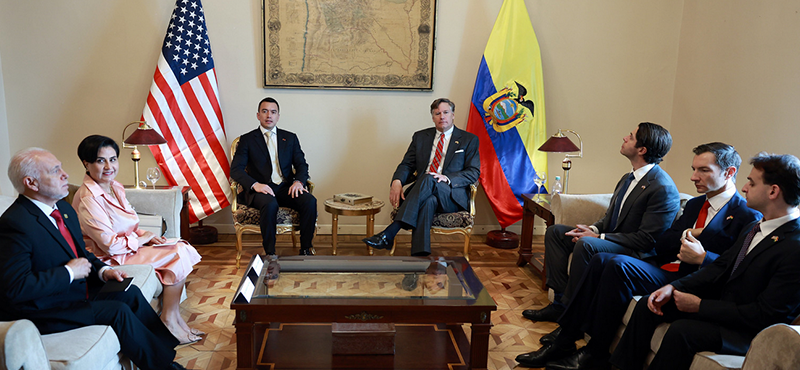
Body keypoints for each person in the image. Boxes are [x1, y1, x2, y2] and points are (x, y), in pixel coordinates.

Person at [515, 142, 761, 369]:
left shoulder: (746, 216)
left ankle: (593, 351)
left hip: (693, 281)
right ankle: (568, 338)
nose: (693, 177)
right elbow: (663, 242)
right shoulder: (696, 205)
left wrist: (703, 257)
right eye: (693, 169)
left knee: (616, 264)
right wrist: (687, 231)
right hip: (665, 267)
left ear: (729, 172)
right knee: (602, 260)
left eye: (703, 170)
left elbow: (736, 270)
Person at [0, 148, 186, 370]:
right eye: (55, 170)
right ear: (31, 182)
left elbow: (81, 254)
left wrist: (103, 271)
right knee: (117, 311)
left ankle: (165, 360)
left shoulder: (64, 209)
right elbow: (16, 288)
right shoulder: (14, 224)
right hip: (42, 310)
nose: (65, 175)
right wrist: (69, 273)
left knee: (130, 293)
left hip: (72, 293)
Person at [610, 153, 800, 370]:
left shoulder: (795, 246)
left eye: (751, 182)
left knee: (683, 331)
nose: (744, 188)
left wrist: (700, 306)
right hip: (723, 309)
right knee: (649, 303)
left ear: (773, 191)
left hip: (748, 331)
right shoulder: (754, 228)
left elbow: (765, 315)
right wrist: (672, 287)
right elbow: (720, 266)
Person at [523, 122, 680, 323]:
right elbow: (610, 216)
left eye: (630, 137)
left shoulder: (662, 187)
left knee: (587, 243)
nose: (624, 138)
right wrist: (593, 228)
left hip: (636, 253)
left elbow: (647, 240)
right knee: (556, 233)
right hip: (612, 240)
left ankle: (571, 314)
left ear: (642, 149)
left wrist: (598, 237)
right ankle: (560, 304)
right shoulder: (627, 178)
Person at [71, 135, 203, 345]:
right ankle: (169, 320)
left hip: (127, 248)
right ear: (86, 163)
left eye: (113, 159)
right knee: (178, 254)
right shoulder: (89, 199)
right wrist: (141, 240)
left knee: (180, 247)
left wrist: (146, 236)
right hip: (110, 258)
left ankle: (175, 319)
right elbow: (110, 245)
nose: (109, 166)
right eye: (100, 160)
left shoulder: (115, 187)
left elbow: (129, 224)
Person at [362, 98, 480, 256]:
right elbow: (407, 165)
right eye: (437, 113)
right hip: (425, 193)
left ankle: (390, 233)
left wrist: (448, 178)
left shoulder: (469, 139)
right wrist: (397, 181)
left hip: (451, 196)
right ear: (432, 117)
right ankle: (420, 254)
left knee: (428, 178)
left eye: (445, 112)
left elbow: (473, 172)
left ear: (453, 115)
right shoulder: (420, 137)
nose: (441, 116)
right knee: (429, 199)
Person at [231, 97, 317, 256]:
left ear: (278, 116)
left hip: (286, 187)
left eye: (273, 112)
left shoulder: (290, 138)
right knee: (270, 205)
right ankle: (270, 253)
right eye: (264, 111)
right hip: (261, 189)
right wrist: (255, 184)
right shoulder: (247, 139)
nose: (268, 115)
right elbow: (236, 170)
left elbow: (301, 165)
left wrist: (298, 181)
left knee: (310, 201)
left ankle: (306, 249)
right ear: (258, 115)